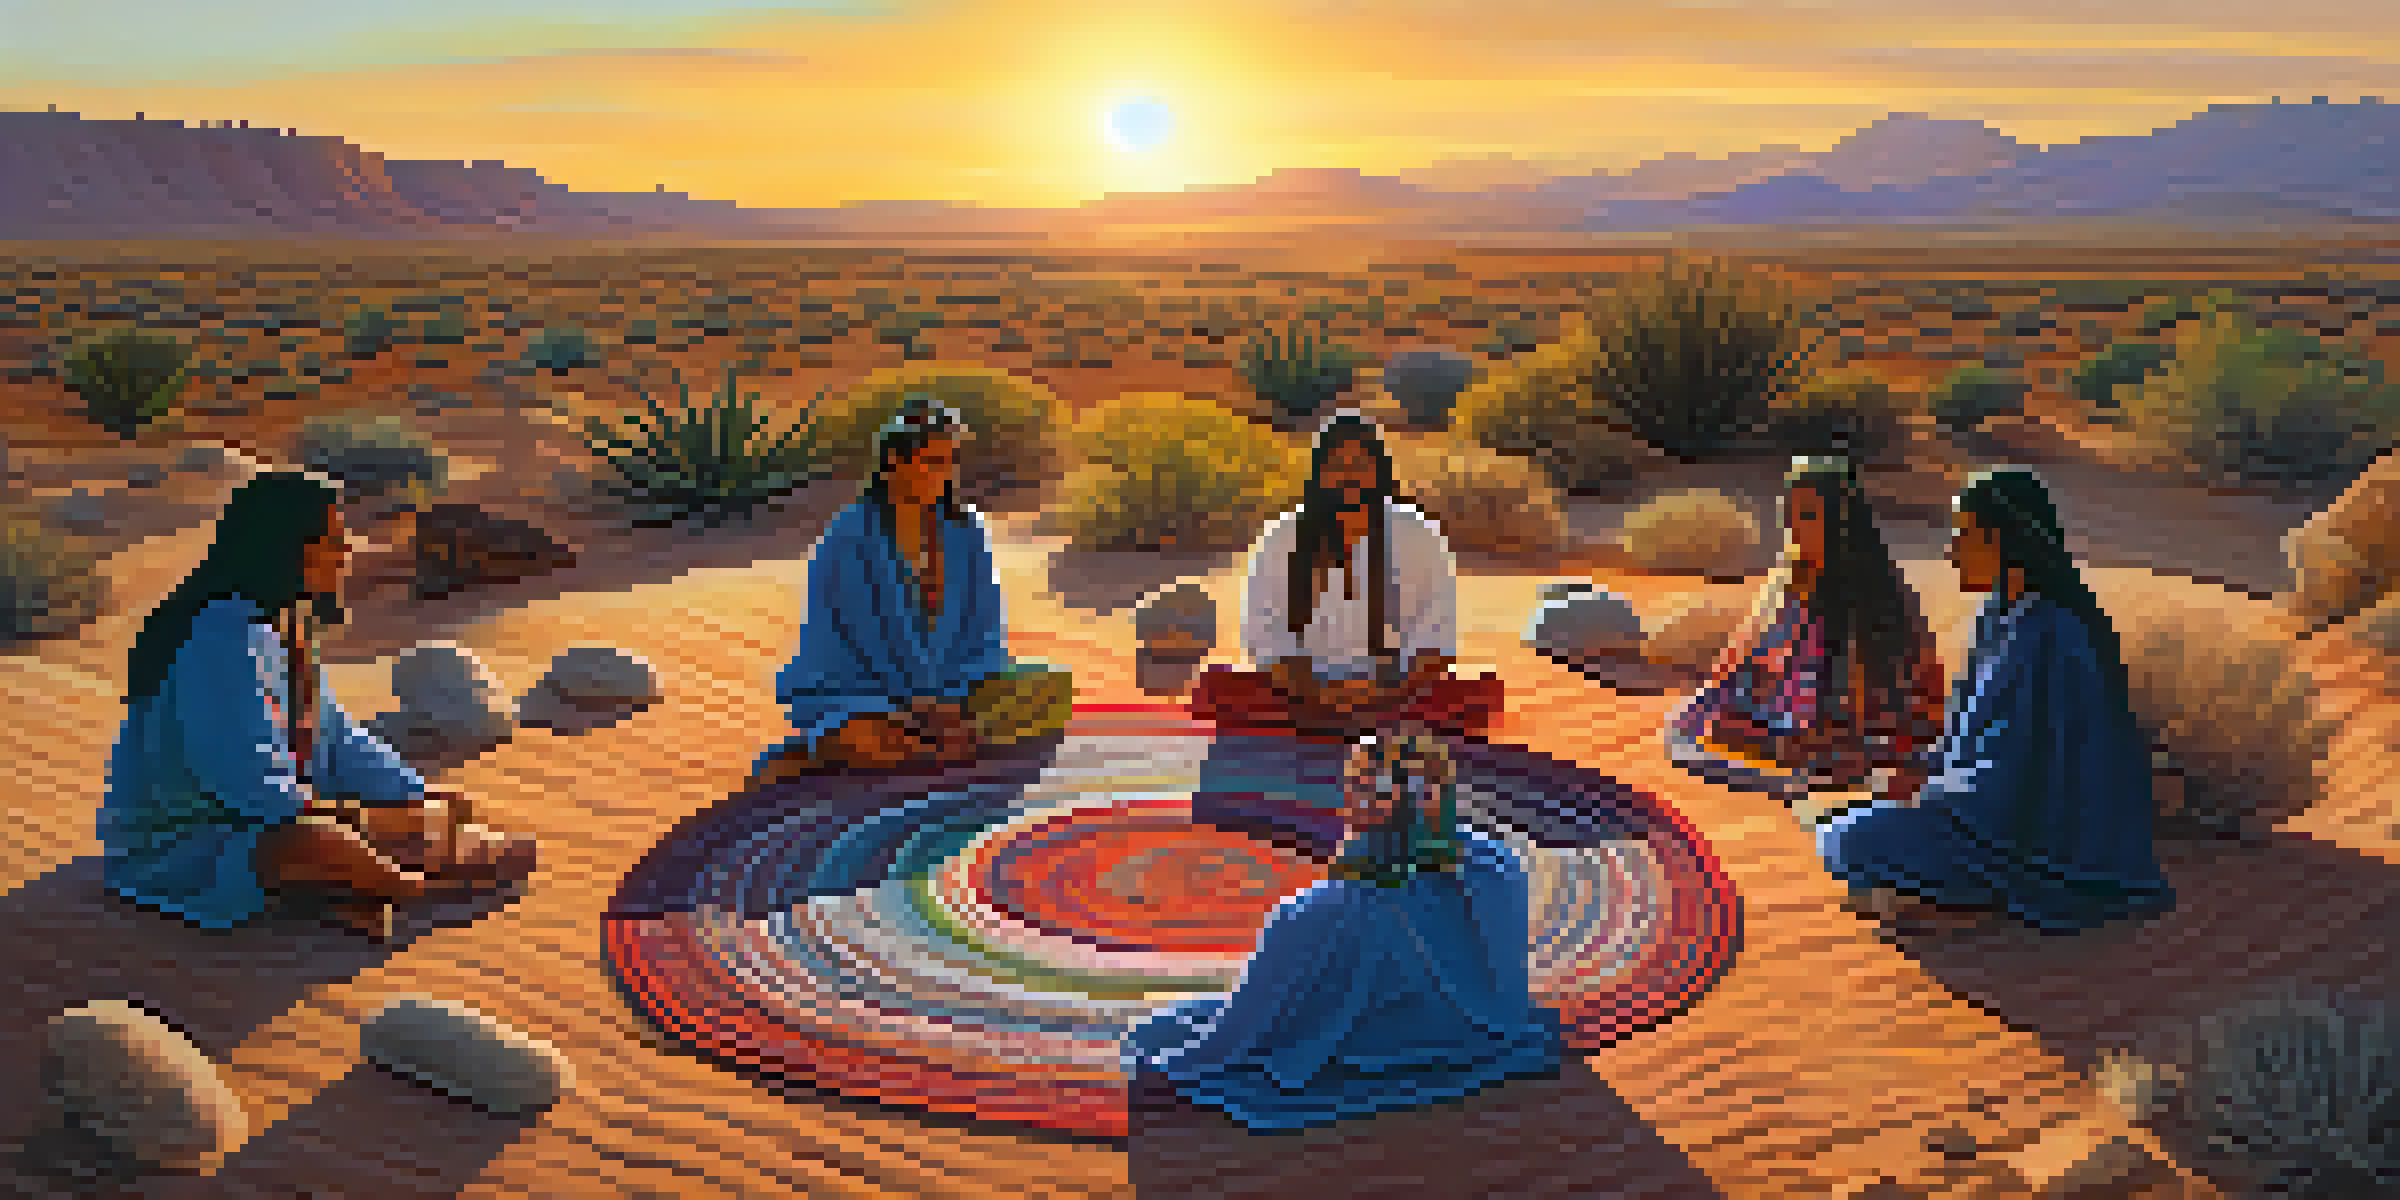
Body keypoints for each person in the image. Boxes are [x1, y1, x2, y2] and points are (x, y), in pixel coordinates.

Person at [100, 471, 537, 941]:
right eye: (333, 540)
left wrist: (409, 793)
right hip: (187, 841)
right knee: (315, 843)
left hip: (276, 810)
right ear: (292, 550)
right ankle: (405, 883)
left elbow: (335, 735)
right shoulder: (219, 639)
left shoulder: (286, 625)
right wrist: (337, 817)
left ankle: (371, 876)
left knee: (445, 803)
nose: (346, 553)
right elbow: (242, 775)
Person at [1123, 726, 1562, 1132]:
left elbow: (1241, 1029)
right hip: (1497, 1026)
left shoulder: (1317, 916)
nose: (1350, 797)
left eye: (1361, 787)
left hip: (1397, 1038)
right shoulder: (1499, 865)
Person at [1816, 468, 2175, 935]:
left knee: (1853, 837)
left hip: (2030, 838)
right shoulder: (1995, 618)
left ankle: (1980, 904)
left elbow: (2024, 776)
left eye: (1965, 538)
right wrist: (1917, 766)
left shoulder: (2056, 636)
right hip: (1972, 808)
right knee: (1837, 827)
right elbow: (1963, 737)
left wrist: (1926, 790)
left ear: (2004, 542)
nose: (1951, 553)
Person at [749, 396, 1073, 784]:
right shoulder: (852, 535)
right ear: (895, 462)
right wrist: (920, 705)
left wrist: (959, 694)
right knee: (866, 734)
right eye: (933, 462)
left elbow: (984, 628)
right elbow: (856, 641)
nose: (945, 473)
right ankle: (832, 749)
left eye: (950, 461)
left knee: (1052, 686)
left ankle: (931, 748)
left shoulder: (966, 529)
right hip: (865, 688)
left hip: (955, 686)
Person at [1191, 409, 1500, 738]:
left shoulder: (1418, 534)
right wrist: (1320, 692)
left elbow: (1435, 636)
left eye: (1361, 465)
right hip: (1300, 691)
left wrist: (1381, 691)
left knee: (1479, 690)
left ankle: (1340, 724)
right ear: (1319, 473)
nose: (1349, 475)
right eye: (1337, 465)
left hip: (1396, 691)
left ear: (1379, 471)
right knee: (1218, 684)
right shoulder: (1283, 536)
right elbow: (1265, 636)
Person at [1666, 456, 1947, 801]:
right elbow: (1755, 657)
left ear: (1842, 521)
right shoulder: (1791, 579)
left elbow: (1906, 686)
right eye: (1791, 517)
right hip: (1797, 714)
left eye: (1810, 517)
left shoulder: (1880, 591)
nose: (1796, 529)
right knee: (1724, 723)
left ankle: (1825, 757)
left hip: (1864, 721)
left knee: (1846, 748)